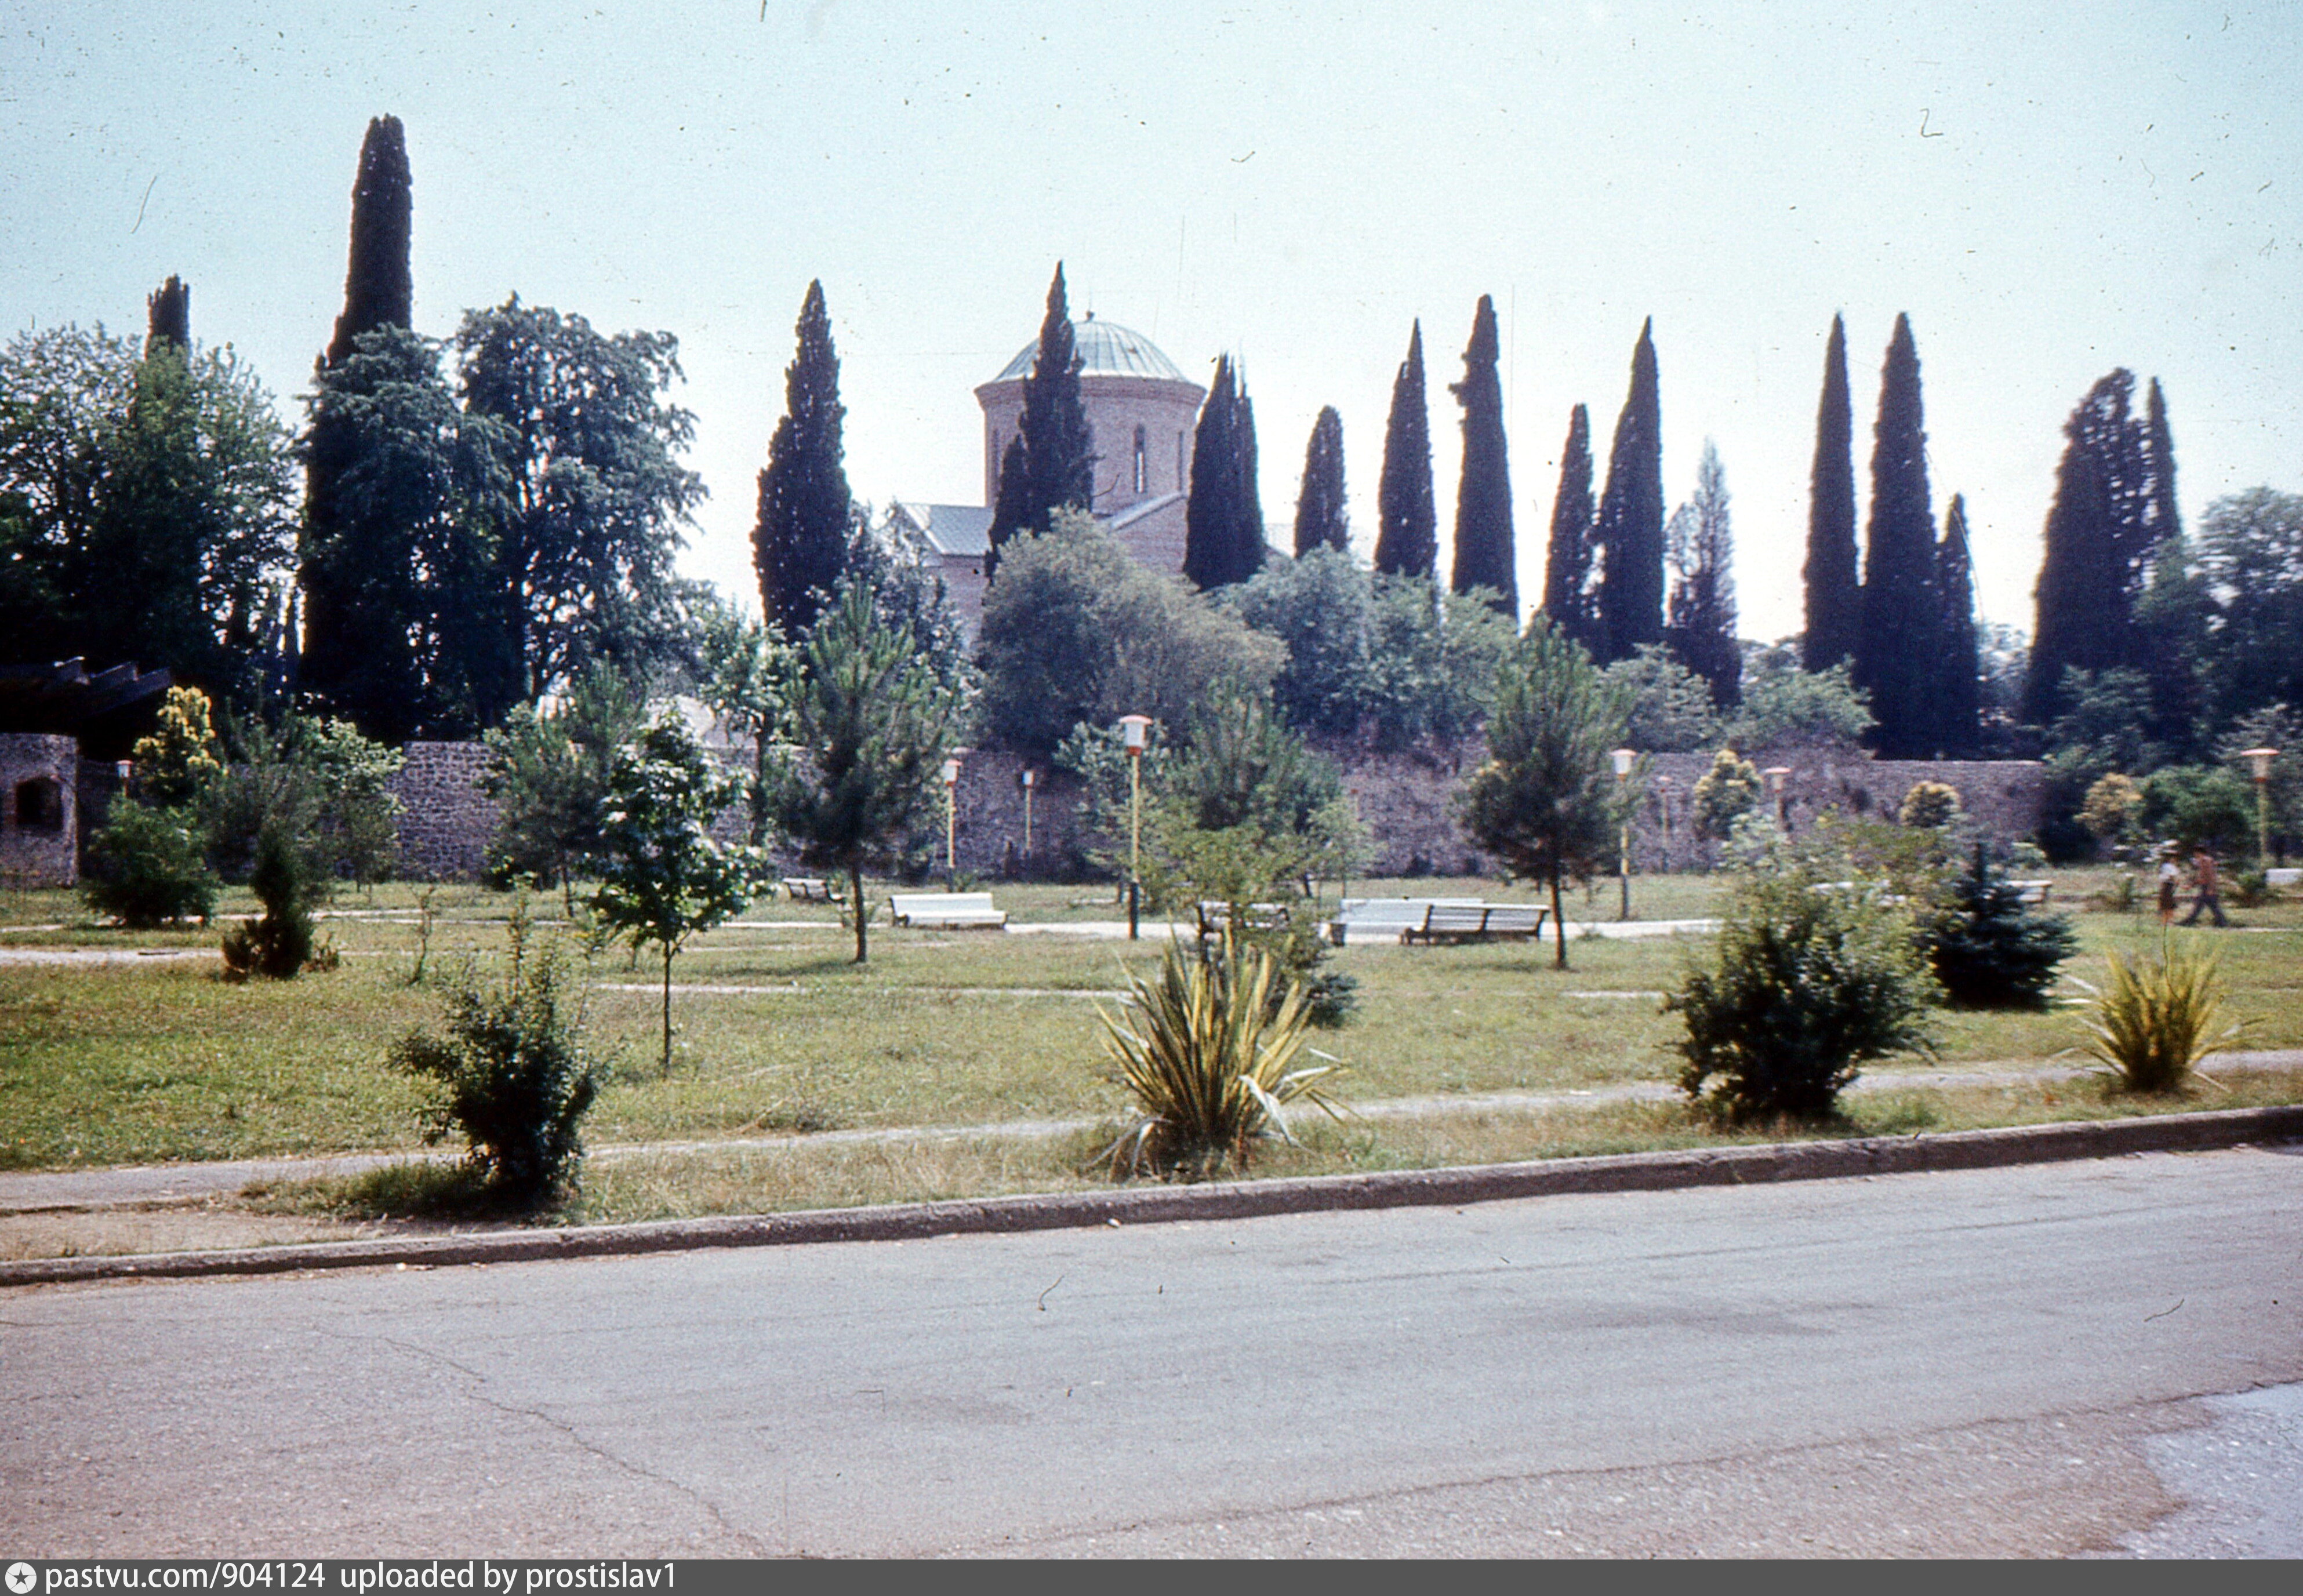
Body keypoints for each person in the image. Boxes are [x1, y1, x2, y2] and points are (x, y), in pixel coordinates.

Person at [2180, 844, 2228, 928]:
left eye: (2195, 853)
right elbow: (2201, 877)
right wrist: (2191, 885)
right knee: (2206, 906)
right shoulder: (2202, 861)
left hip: (2208, 887)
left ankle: (2190, 921)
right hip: (2205, 886)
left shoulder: (2206, 861)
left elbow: (2211, 876)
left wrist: (2211, 888)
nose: (2194, 855)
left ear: (2198, 852)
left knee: (2207, 906)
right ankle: (2221, 923)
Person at [2156, 846, 2180, 925]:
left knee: (2166, 904)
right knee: (2169, 904)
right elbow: (2172, 876)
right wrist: (2176, 883)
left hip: (2165, 885)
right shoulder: (2169, 866)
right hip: (2169, 885)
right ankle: (2169, 921)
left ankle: (2165, 920)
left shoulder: (2163, 866)